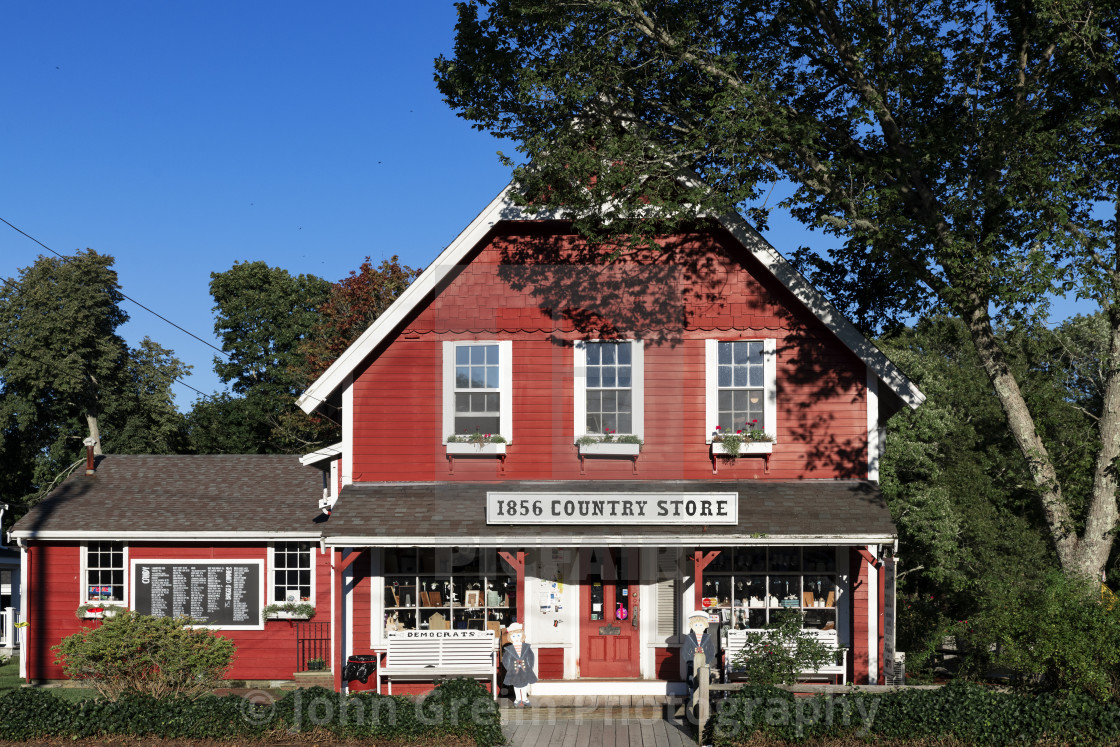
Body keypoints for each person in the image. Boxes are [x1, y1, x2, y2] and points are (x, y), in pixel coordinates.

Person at [681, 609, 715, 703]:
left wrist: (707, 660)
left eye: (701, 625)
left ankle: (704, 700)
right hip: (692, 664)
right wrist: (690, 660)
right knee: (692, 681)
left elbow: (711, 651)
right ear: (692, 625)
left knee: (704, 681)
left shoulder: (707, 638)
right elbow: (685, 652)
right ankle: (692, 699)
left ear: (705, 626)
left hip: (704, 664)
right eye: (696, 625)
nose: (698, 627)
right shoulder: (689, 638)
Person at [501, 622, 538, 707]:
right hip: (514, 670)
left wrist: (529, 666)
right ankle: (518, 698)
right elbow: (505, 660)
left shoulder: (526, 647)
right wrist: (509, 669)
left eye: (518, 635)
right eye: (513, 636)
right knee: (516, 684)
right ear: (510, 637)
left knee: (524, 684)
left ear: (522, 636)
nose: (516, 638)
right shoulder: (509, 649)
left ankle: (524, 698)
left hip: (525, 669)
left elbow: (531, 657)